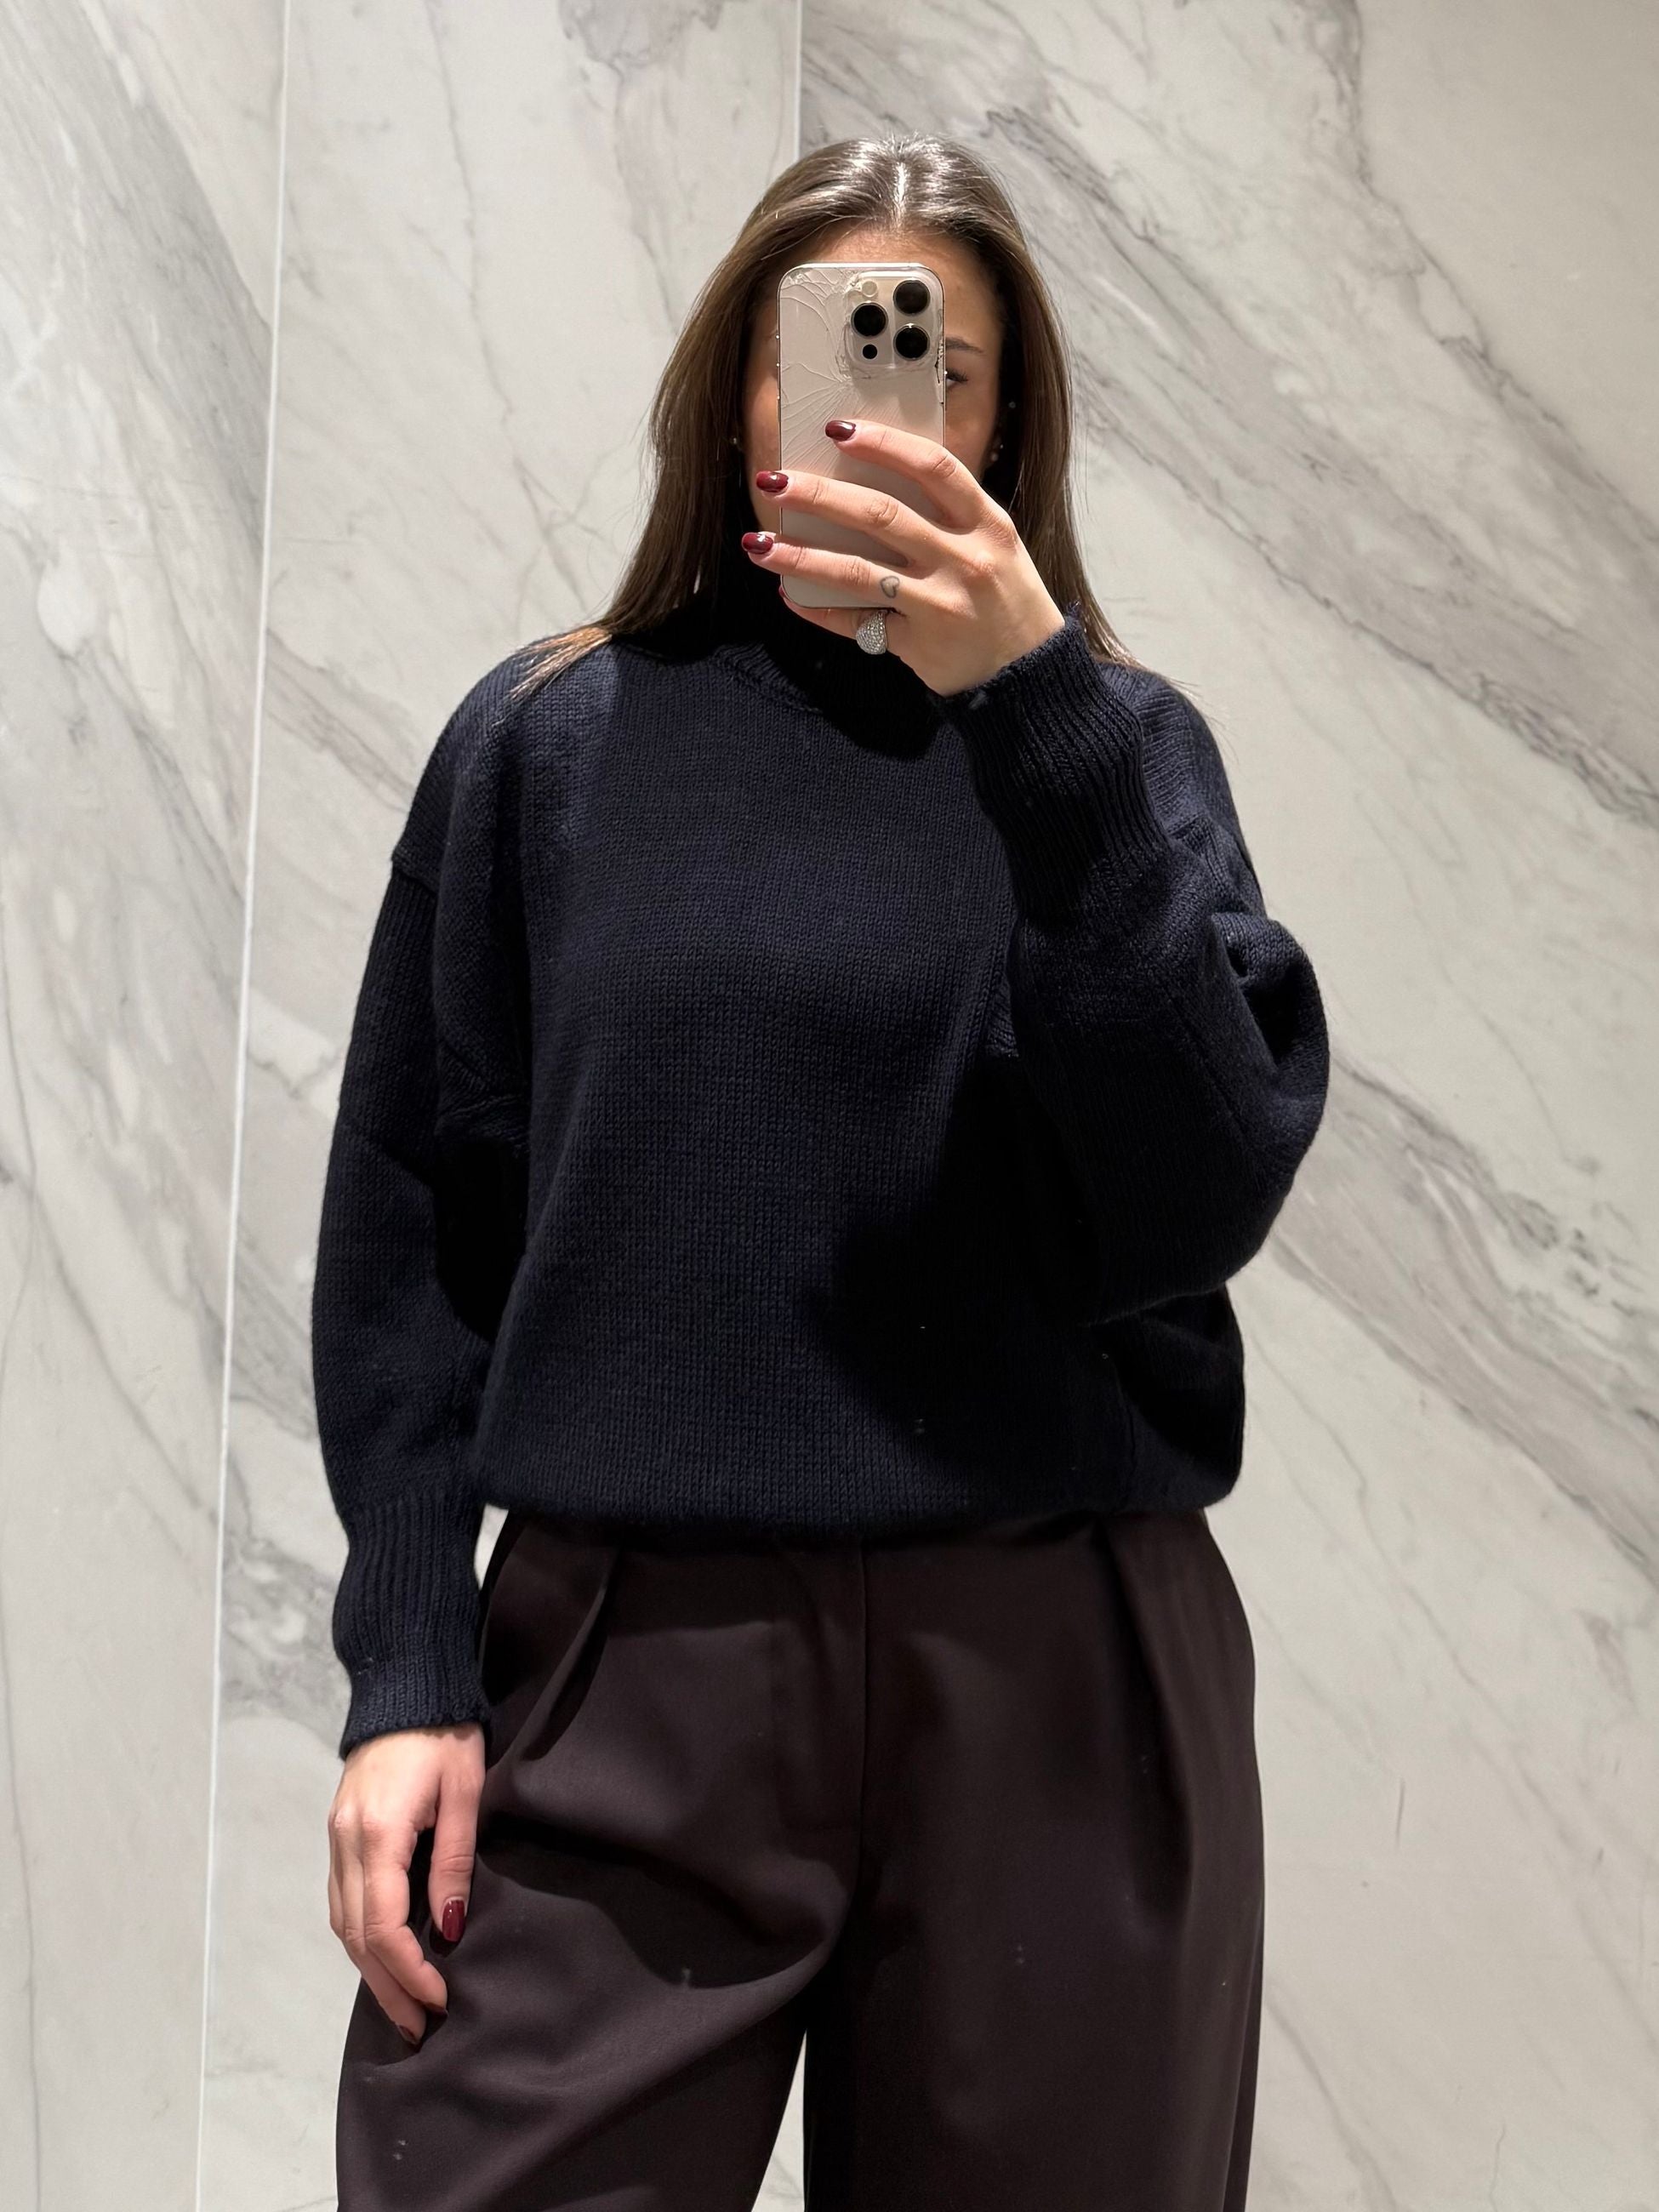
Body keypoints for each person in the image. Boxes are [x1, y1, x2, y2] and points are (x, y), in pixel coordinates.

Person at [312, 130, 1330, 2211]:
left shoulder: (1120, 757)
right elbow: (416, 1222)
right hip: (628, 1664)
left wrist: (1037, 719)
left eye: (939, 360)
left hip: (1057, 1672)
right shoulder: (551, 742)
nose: (878, 404)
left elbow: (1198, 1195)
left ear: (1005, 422)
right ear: (739, 391)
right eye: (830, 348)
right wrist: (407, 1667)